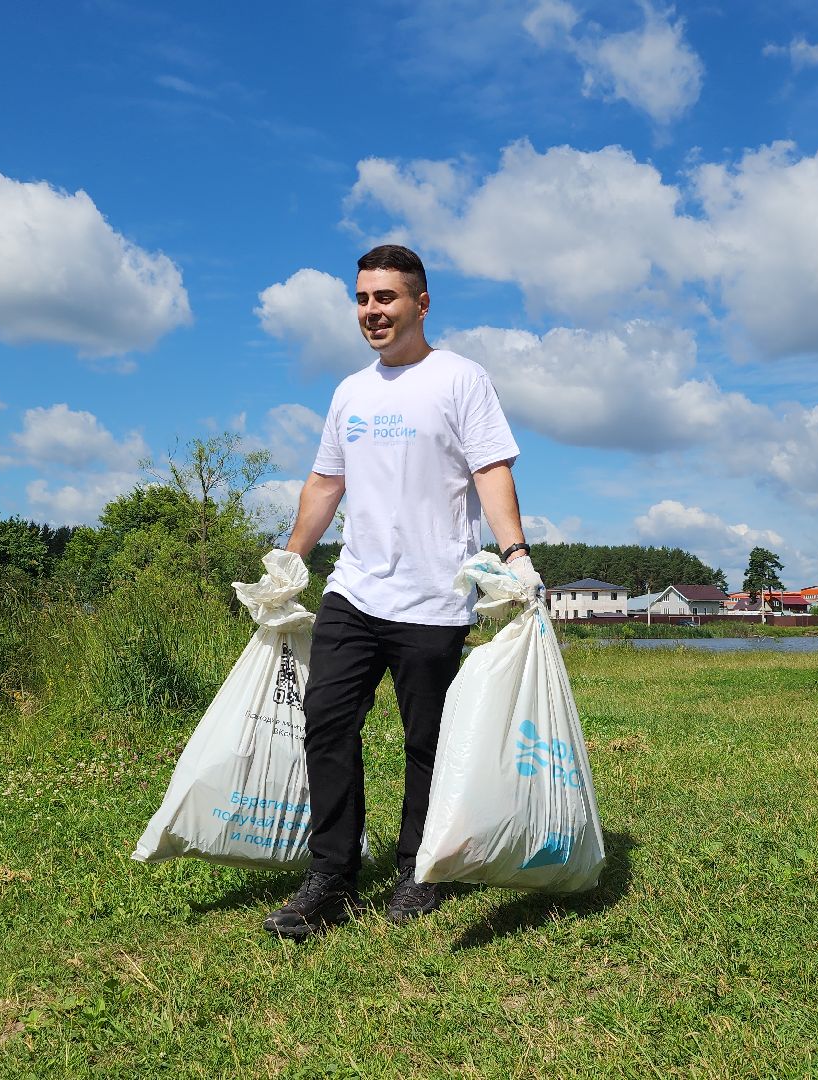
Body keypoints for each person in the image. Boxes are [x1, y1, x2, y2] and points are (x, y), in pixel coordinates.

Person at [267, 244, 541, 940]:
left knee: (428, 740)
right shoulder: (350, 392)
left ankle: (419, 868)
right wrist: (290, 559)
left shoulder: (460, 379)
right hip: (354, 589)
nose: (371, 311)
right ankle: (331, 876)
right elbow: (326, 482)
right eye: (362, 298)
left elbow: (491, 469)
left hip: (435, 595)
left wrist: (515, 554)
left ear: (421, 304)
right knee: (326, 721)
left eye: (385, 297)